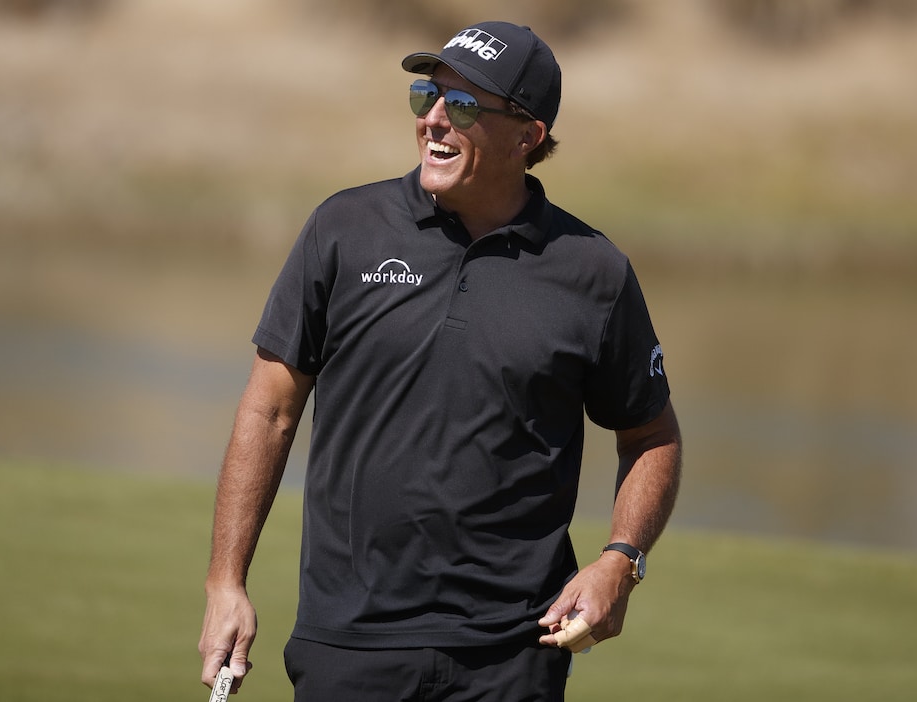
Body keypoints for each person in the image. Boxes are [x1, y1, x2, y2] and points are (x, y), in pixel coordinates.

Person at [199, 20, 682, 701]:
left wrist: (621, 561)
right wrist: (226, 582)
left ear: (527, 136)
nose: (432, 120)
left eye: (461, 107)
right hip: (349, 641)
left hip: (514, 653)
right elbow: (270, 410)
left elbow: (651, 435)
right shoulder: (344, 230)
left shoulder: (591, 271)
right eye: (425, 96)